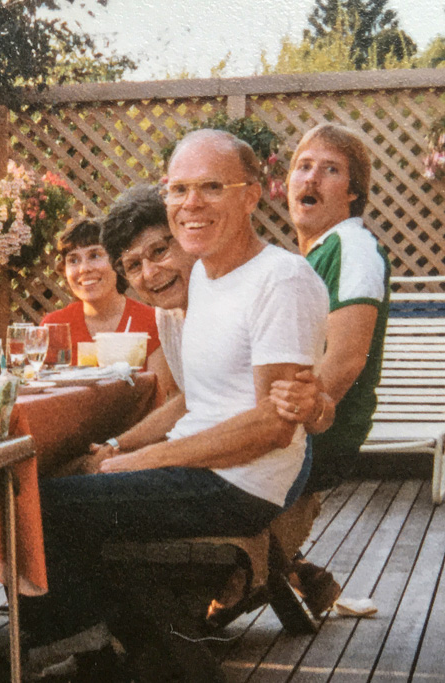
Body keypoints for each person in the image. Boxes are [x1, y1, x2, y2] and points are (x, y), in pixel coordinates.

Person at [21, 130, 330, 678]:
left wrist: (133, 461)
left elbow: (270, 429)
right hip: (212, 471)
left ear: (252, 194)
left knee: (40, 506)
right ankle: (119, 642)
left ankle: (92, 650)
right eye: (179, 189)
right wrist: (116, 453)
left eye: (212, 187)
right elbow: (201, 399)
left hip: (239, 484)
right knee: (48, 488)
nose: (192, 203)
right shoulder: (208, 275)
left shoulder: (281, 279)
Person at [282, 123, 390, 493]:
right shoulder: (320, 251)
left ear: (353, 191)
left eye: (330, 169)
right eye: (304, 165)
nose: (311, 178)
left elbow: (346, 361)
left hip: (314, 440)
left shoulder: (352, 247)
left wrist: (276, 428)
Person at [41, 216, 175, 394]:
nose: (83, 269)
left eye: (94, 255)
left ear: (118, 262)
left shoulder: (152, 322)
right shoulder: (54, 327)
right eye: (73, 260)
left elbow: (160, 399)